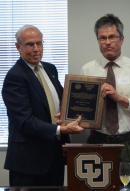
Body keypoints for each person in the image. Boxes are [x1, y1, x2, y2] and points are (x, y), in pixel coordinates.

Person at [2, 25, 84, 186]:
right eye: (30, 44)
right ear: (18, 47)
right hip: (28, 162)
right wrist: (61, 129)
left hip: (55, 156)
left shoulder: (50, 68)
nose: (36, 49)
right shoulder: (14, 77)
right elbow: (25, 121)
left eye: (39, 43)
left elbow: (63, 101)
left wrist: (75, 113)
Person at [81, 14, 130, 186]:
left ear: (121, 39)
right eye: (102, 38)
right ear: (98, 40)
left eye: (112, 37)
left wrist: (121, 99)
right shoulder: (87, 69)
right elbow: (83, 109)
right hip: (97, 142)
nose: (107, 42)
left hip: (129, 145)